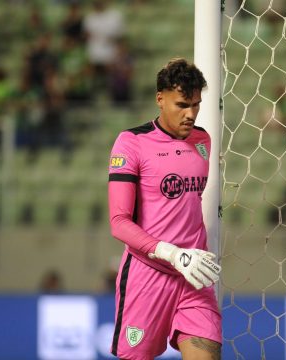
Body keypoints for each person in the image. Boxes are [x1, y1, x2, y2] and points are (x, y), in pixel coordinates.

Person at [107, 58, 222, 359]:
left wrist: (188, 257)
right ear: (160, 99)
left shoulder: (203, 141)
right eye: (182, 105)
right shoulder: (131, 143)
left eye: (196, 105)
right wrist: (173, 254)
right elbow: (119, 222)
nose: (191, 114)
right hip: (147, 276)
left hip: (194, 276)